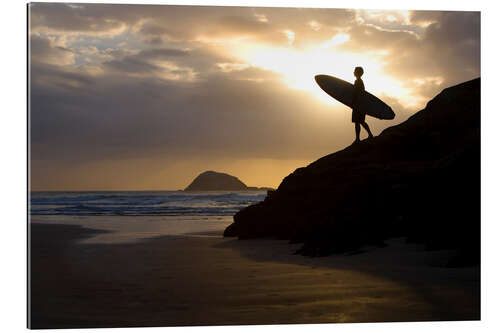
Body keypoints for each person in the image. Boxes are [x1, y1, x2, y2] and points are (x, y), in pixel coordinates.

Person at [352, 66, 373, 144]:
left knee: (359, 122)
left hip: (358, 105)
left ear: (357, 73)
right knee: (360, 121)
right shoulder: (359, 81)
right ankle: (368, 135)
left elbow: (357, 93)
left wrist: (354, 103)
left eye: (354, 71)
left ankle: (358, 139)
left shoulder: (358, 81)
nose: (353, 72)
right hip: (360, 104)